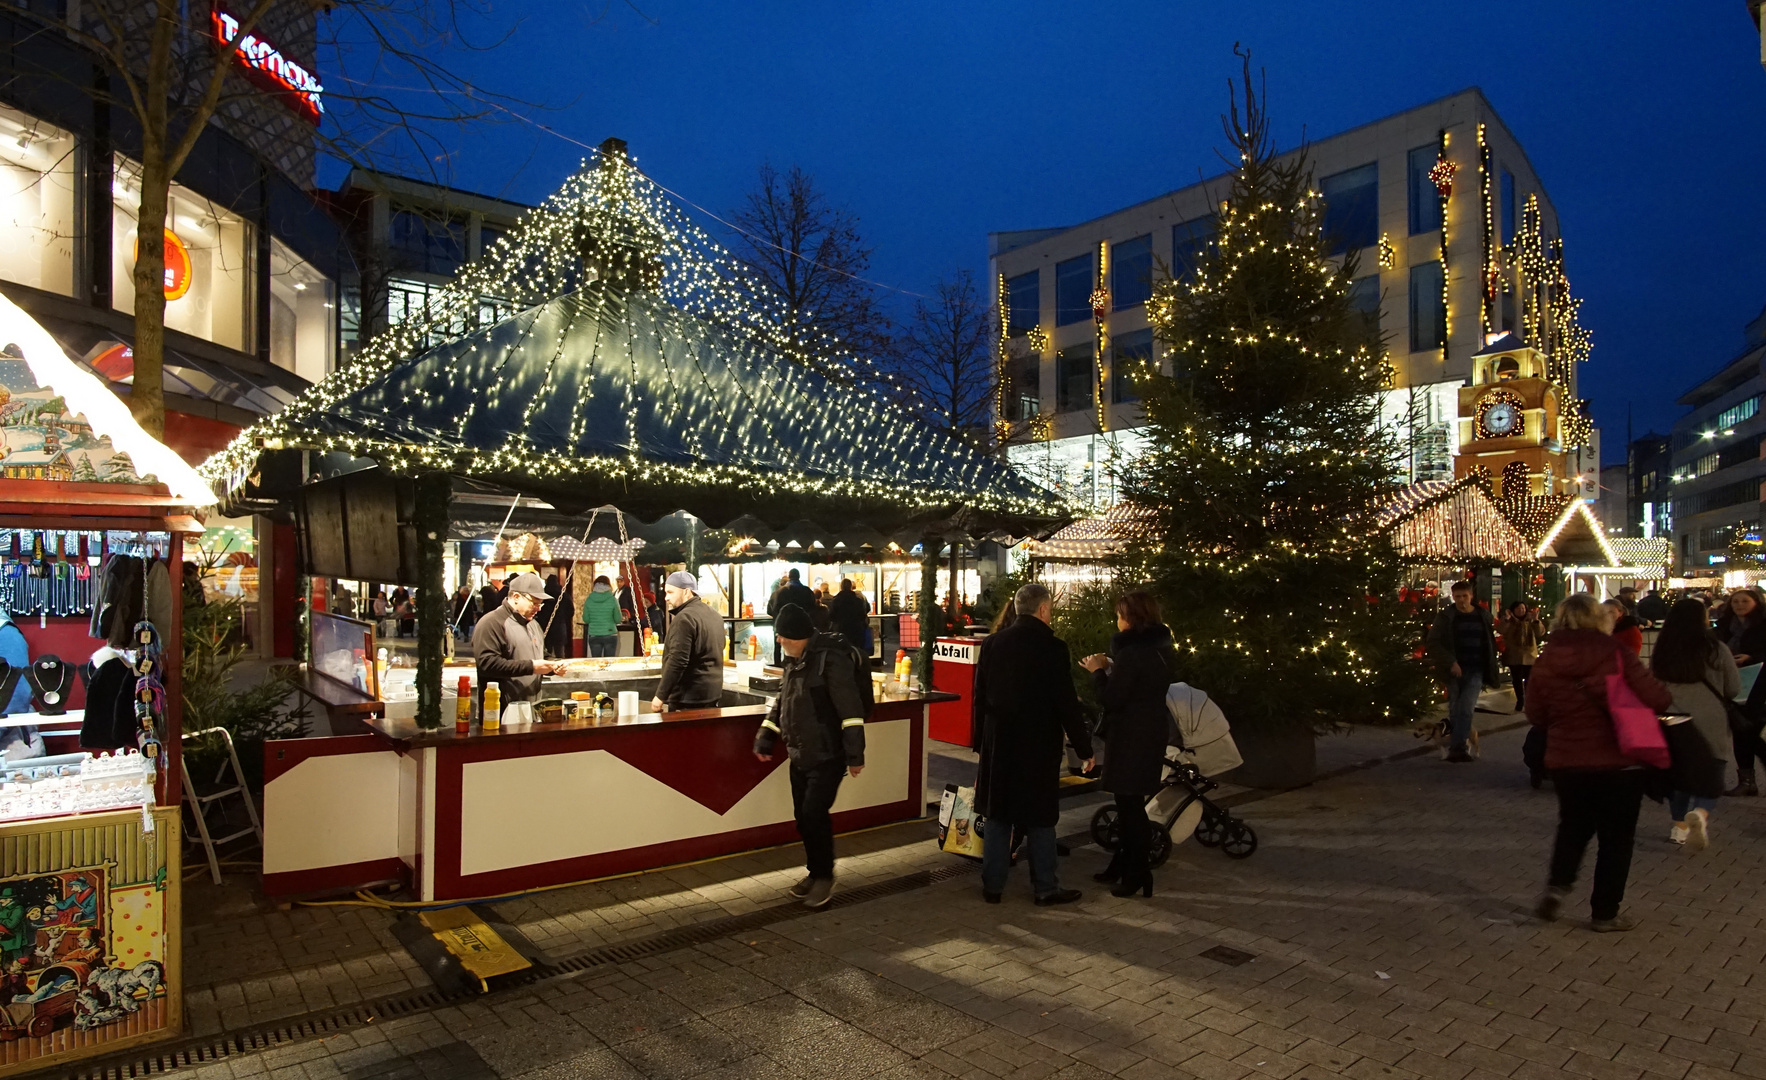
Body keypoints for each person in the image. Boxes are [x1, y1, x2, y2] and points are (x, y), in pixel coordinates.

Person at [1526, 592, 1672, 932]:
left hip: (1567, 760)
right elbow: (1657, 697)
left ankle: (1558, 887)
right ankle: (1605, 913)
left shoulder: (1546, 660)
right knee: (1616, 838)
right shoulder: (1616, 653)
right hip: (1619, 761)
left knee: (1573, 827)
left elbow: (1535, 713)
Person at [971, 583, 1094, 906]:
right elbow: (1066, 702)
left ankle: (993, 886)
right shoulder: (1052, 647)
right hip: (1038, 744)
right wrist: (1084, 748)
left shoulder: (993, 643)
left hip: (999, 742)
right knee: (1040, 818)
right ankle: (1045, 887)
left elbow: (979, 697)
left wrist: (979, 742)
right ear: (1042, 610)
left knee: (998, 815)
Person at [753, 603, 868, 909]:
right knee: (803, 818)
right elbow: (783, 701)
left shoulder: (831, 661)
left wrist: (855, 755)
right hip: (800, 753)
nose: (778, 641)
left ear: (797, 636)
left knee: (815, 814)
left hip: (828, 753)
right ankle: (815, 872)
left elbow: (851, 711)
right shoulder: (794, 660)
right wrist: (767, 735)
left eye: (781, 636)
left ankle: (824, 878)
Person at [1080, 590, 1177, 899]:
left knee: (1130, 805)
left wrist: (1097, 672)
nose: (1116, 620)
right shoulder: (1159, 649)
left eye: (1120, 615)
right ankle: (1122, 865)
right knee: (1129, 804)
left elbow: (1113, 699)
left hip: (1132, 737)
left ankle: (1137, 872)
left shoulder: (1134, 654)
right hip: (1149, 733)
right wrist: (1113, 668)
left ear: (1131, 619)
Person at [1650, 597, 1738, 850]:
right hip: (1710, 716)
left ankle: (1679, 827)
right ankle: (1700, 812)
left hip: (1673, 716)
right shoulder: (1716, 648)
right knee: (1712, 769)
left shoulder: (1663, 648)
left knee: (1679, 773)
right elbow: (1732, 688)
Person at [1425, 581, 1499, 762]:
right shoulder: (1446, 617)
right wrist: (1451, 662)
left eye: (1464, 596)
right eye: (1457, 597)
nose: (1461, 600)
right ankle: (1458, 746)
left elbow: (1488, 641)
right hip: (1453, 670)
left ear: (1471, 596)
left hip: (1475, 668)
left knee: (1465, 708)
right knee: (1456, 708)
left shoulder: (1482, 615)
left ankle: (1458, 748)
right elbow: (1433, 642)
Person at [470, 572, 557, 711]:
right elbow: (487, 663)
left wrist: (554, 664)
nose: (538, 608)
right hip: (502, 711)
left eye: (541, 604)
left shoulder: (533, 624)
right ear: (516, 597)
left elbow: (540, 654)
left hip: (532, 708)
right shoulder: (491, 623)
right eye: (534, 603)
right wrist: (532, 667)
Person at [652, 571, 724, 712]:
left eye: (670, 592)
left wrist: (660, 696)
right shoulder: (715, 615)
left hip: (688, 699)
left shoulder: (684, 618)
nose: (666, 598)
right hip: (712, 694)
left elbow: (678, 660)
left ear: (686, 592)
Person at [1718, 588, 1766, 796]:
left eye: (1744, 601)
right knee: (1741, 730)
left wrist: (1751, 657)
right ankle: (1747, 782)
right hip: (1732, 685)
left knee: (1749, 730)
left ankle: (1747, 782)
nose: (1739, 605)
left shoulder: (1763, 625)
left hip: (1760, 685)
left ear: (1756, 603)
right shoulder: (1724, 626)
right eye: (1735, 601)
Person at [1496, 601, 1543, 712]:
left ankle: (1528, 700)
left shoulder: (1530, 620)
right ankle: (1520, 700)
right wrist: (1506, 619)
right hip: (1514, 654)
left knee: (1529, 679)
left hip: (1529, 654)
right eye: (1518, 608)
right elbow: (1500, 630)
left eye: (1523, 608)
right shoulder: (1509, 621)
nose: (1521, 611)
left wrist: (1536, 620)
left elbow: (1540, 632)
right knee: (1516, 680)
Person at [827, 578, 872, 654]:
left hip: (841, 631)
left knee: (842, 653)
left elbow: (831, 616)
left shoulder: (836, 601)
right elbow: (863, 614)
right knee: (856, 651)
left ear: (841, 587)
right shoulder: (858, 600)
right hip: (856, 630)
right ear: (851, 587)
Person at [582, 576, 621, 658]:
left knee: (596, 662)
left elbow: (586, 619)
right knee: (610, 663)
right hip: (610, 633)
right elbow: (618, 619)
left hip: (594, 634)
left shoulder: (589, 599)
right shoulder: (612, 599)